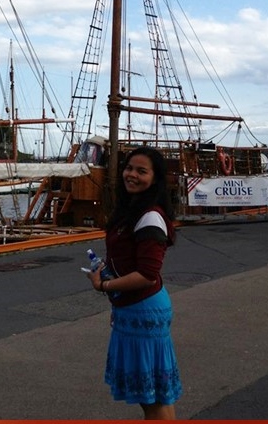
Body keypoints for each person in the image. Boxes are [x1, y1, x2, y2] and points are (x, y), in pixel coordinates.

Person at [86, 146, 182, 420]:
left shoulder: (150, 216)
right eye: (129, 168)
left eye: (142, 171)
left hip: (143, 308)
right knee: (155, 396)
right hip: (135, 307)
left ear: (155, 178)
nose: (132, 175)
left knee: (152, 399)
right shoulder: (133, 210)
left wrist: (103, 286)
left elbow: (147, 274)